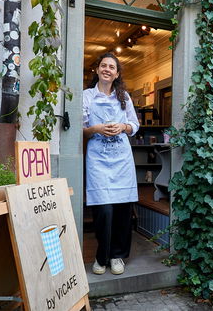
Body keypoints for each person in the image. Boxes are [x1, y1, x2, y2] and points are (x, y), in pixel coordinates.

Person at [83, 52, 140, 275]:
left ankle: (117, 256)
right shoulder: (86, 96)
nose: (107, 69)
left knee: (122, 210)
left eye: (112, 67)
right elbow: (82, 128)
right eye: (103, 65)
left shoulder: (123, 96)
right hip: (98, 158)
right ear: (97, 70)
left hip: (121, 159)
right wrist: (96, 129)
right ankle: (101, 256)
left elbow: (134, 125)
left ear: (117, 74)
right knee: (103, 210)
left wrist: (123, 127)